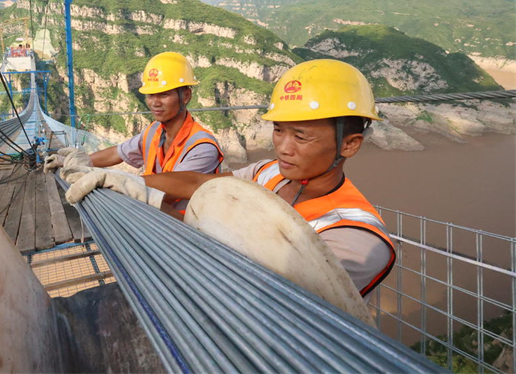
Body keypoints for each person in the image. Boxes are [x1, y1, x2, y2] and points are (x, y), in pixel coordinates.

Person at [65, 59, 396, 298]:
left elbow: (268, 297)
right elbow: (202, 185)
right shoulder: (266, 173)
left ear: (349, 144)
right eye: (278, 131)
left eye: (300, 136)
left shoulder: (357, 238)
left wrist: (137, 192)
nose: (283, 147)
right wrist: (126, 183)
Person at [46, 52, 224, 214]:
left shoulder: (201, 147)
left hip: (187, 231)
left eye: (163, 94)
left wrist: (116, 179)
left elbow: (165, 193)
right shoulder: (154, 131)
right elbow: (117, 153)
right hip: (156, 218)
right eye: (150, 95)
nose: (154, 103)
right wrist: (82, 163)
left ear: (185, 96)